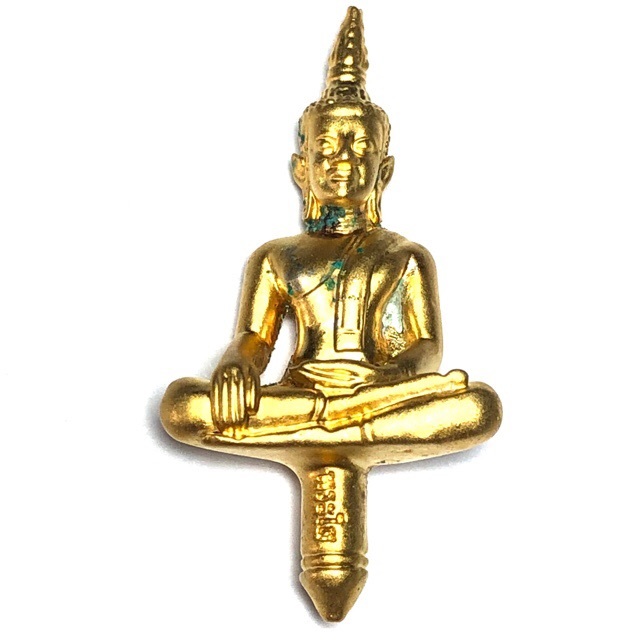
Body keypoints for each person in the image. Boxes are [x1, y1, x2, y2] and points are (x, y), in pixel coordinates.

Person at [160, 7, 501, 454]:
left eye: (360, 148)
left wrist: (393, 378)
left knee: (477, 406)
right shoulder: (276, 256)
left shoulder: (405, 255)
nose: (342, 158)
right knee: (182, 405)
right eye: (325, 146)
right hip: (301, 396)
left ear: (383, 171)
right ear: (302, 170)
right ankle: (334, 419)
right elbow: (255, 339)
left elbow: (426, 347)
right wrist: (235, 366)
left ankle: (328, 422)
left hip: (379, 395)